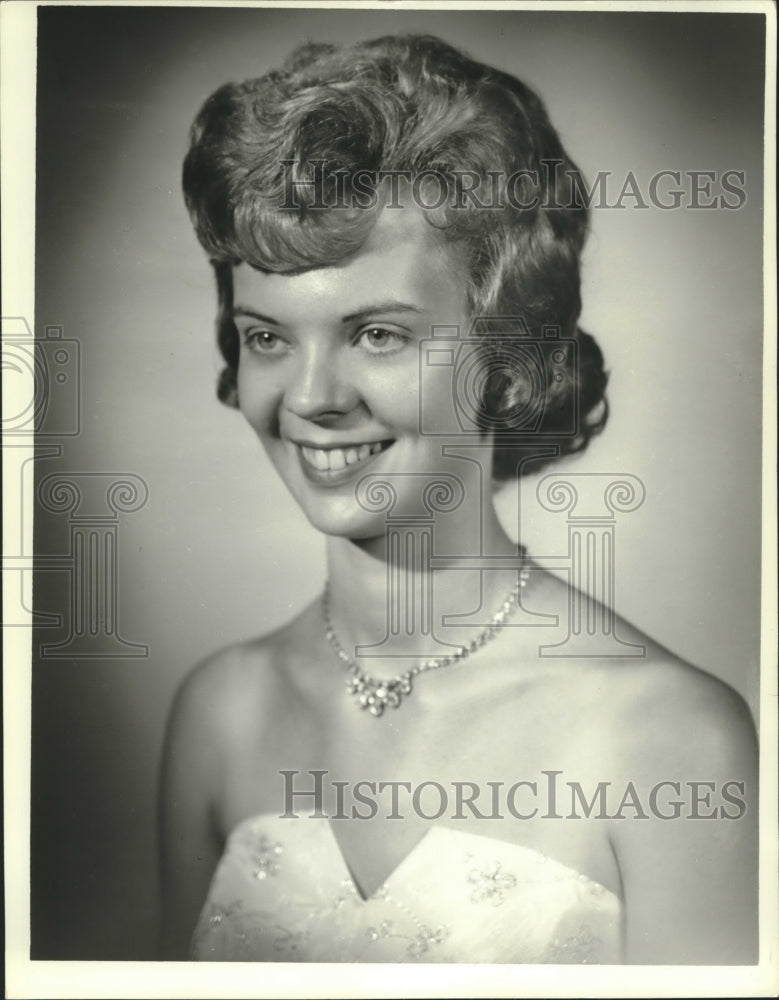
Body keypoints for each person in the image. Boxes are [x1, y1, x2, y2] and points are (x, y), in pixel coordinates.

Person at [159, 34, 757, 964]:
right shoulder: (220, 712)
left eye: (378, 334)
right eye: (267, 338)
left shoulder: (669, 739)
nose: (310, 398)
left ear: (508, 356)